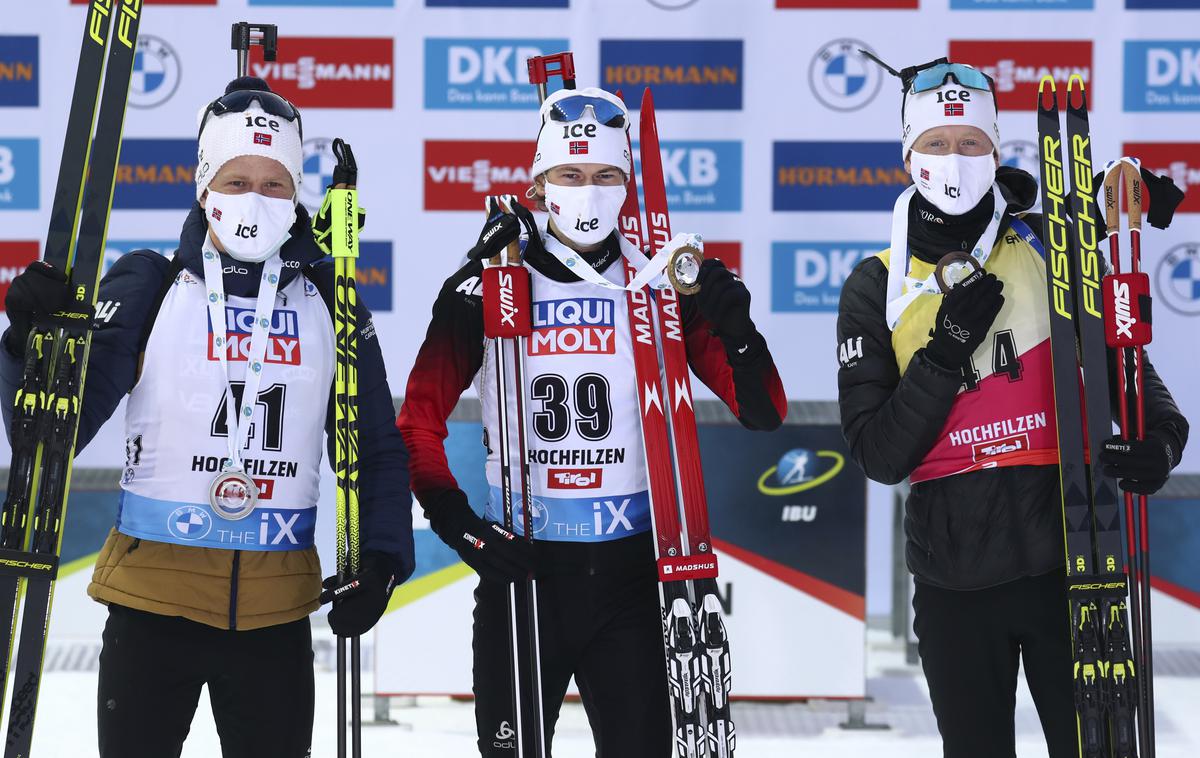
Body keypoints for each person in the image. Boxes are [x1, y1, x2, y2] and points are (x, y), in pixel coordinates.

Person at [0, 76, 415, 758]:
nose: (254, 198)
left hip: (276, 617)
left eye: (275, 183)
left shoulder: (332, 305)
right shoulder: (150, 284)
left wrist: (381, 560)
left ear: (298, 196)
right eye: (235, 179)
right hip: (149, 610)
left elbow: (374, 449)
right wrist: (29, 344)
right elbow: (49, 435)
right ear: (202, 188)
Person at [397, 86, 787, 757]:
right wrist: (464, 531)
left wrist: (738, 327)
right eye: (570, 175)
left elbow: (764, 411)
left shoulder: (660, 283)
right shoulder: (491, 280)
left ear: (629, 184)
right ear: (539, 183)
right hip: (524, 573)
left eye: (606, 175)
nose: (588, 191)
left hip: (633, 576)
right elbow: (417, 423)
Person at [836, 58, 1189, 758]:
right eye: (936, 143)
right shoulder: (876, 283)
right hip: (954, 580)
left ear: (997, 150)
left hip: (1074, 560)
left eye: (972, 143)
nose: (955, 159)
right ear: (909, 155)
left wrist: (1161, 444)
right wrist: (946, 351)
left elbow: (1134, 378)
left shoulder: (1049, 243)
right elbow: (879, 454)